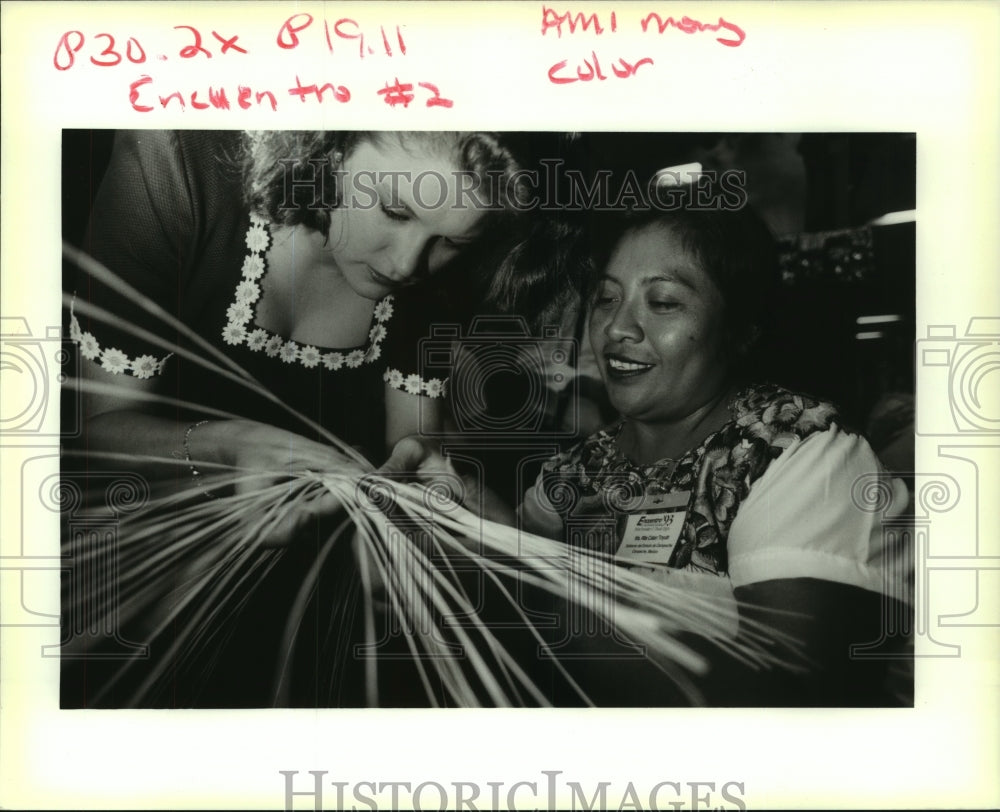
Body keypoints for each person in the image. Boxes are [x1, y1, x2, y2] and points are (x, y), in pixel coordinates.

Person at [62, 129, 569, 706]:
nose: (408, 265)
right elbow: (95, 435)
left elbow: (410, 440)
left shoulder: (434, 276)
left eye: (450, 242)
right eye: (394, 210)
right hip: (128, 597)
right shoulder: (175, 164)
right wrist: (226, 444)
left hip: (306, 622)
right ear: (330, 146)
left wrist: (429, 472)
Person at [390, 198, 913, 706]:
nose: (618, 329)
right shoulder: (572, 475)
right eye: (606, 298)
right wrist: (481, 525)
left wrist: (514, 583)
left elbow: (789, 696)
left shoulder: (803, 457)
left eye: (662, 302)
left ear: (740, 329)